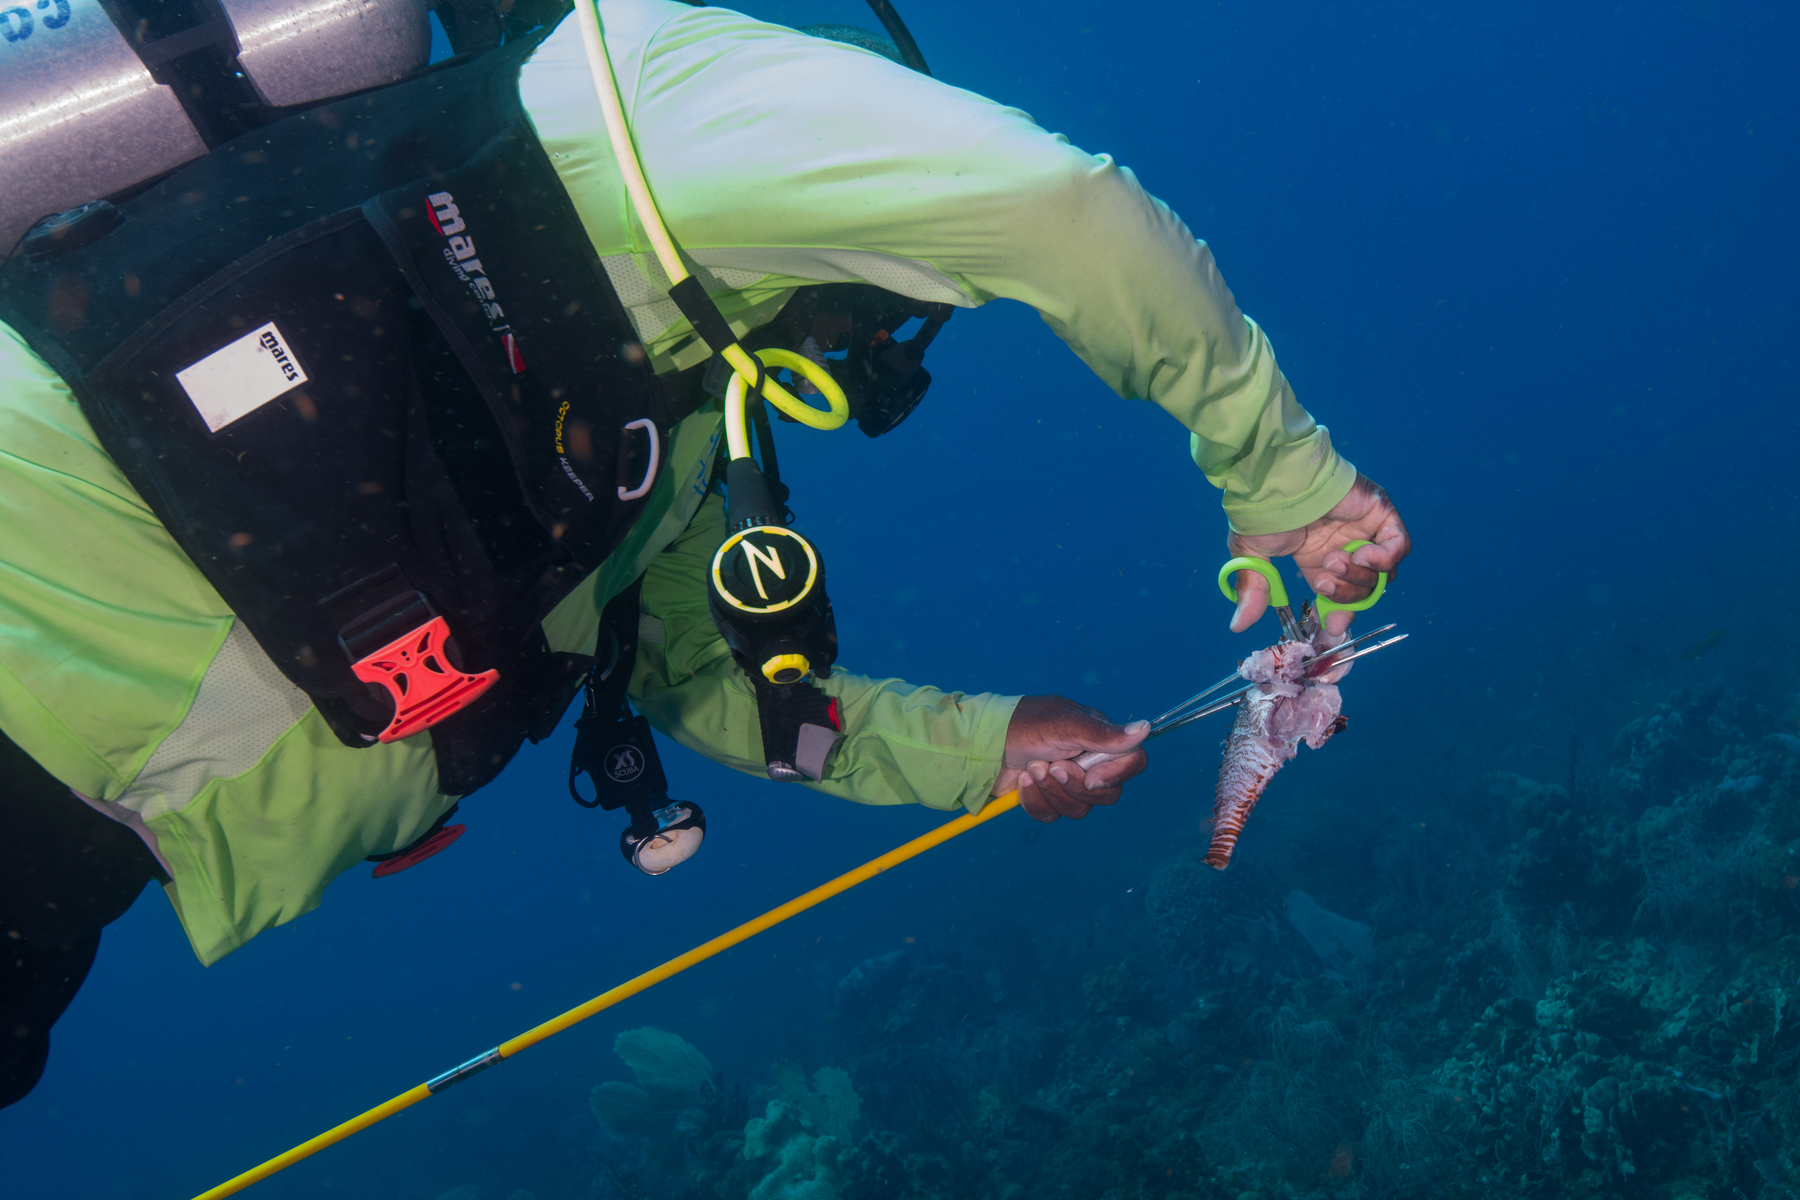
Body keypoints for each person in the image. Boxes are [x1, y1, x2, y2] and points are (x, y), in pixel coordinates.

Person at [0, 0, 1410, 1109]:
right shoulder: (647, 94)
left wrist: (987, 747)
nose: (867, 353)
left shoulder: (638, 418)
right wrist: (1280, 472)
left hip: (82, 837)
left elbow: (706, 685)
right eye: (884, 323)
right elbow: (1061, 206)